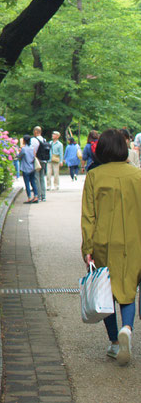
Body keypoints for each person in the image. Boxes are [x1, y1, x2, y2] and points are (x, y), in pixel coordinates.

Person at [81, 129, 141, 366]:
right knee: (128, 287)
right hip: (134, 240)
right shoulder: (137, 176)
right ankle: (127, 327)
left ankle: (115, 342)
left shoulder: (95, 176)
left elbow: (89, 215)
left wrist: (87, 247)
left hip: (103, 241)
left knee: (106, 290)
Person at [18, 135, 39, 204]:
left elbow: (19, 156)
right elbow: (34, 156)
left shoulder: (24, 149)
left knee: (27, 183)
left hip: (25, 168)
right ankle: (36, 196)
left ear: (24, 141)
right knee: (33, 182)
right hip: (32, 167)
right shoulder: (32, 148)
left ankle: (29, 197)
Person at [30, 126, 47, 201]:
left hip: (37, 160)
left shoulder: (34, 140)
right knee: (42, 177)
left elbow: (33, 150)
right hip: (44, 160)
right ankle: (44, 196)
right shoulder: (44, 139)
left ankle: (38, 195)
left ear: (36, 132)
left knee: (36, 177)